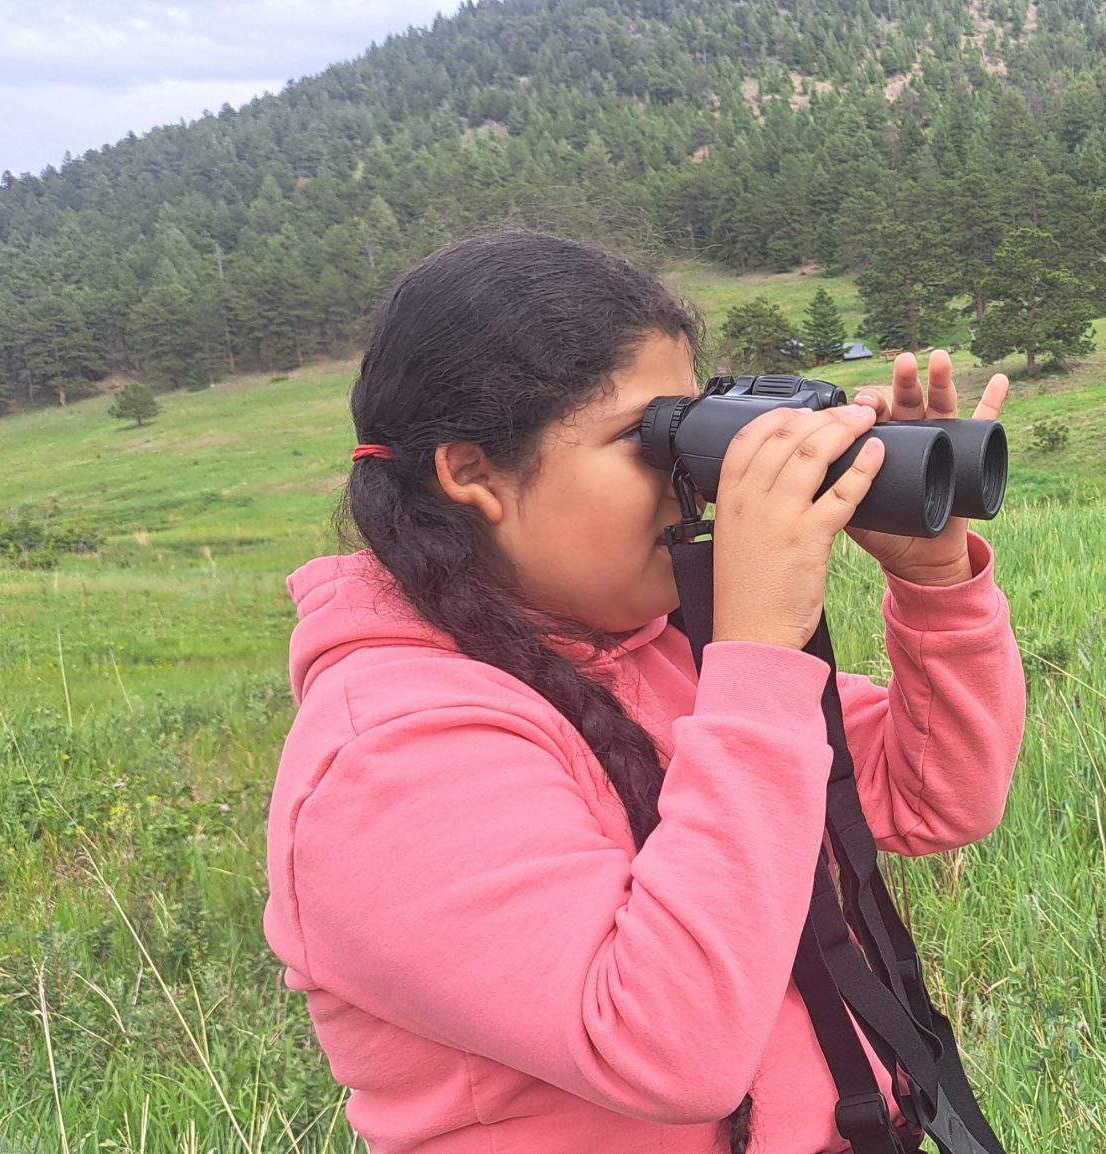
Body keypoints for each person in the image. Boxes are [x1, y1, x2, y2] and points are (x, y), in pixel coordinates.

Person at [262, 230, 1025, 1152]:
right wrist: (756, 657)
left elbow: (934, 795)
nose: (691, 483)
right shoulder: (390, 754)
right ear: (472, 473)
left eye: (688, 429)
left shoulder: (654, 651)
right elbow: (670, 1049)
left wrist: (934, 582)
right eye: (641, 439)